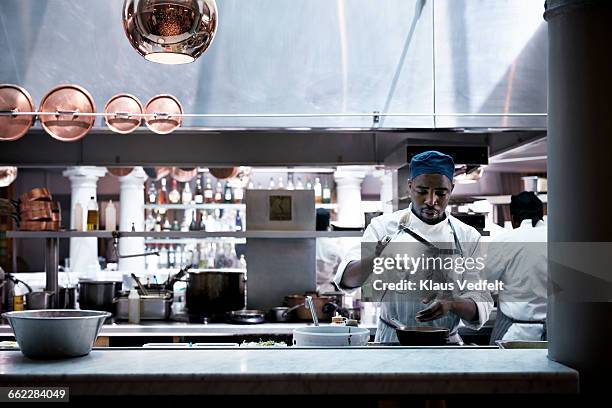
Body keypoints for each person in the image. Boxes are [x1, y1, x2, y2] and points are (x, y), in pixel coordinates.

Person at [334, 151, 493, 344]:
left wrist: (452, 303)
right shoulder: (383, 227)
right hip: (393, 341)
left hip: (445, 346)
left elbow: (481, 302)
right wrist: (376, 259)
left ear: (451, 188)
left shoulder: (467, 236)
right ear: (410, 187)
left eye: (441, 193)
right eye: (422, 191)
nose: (431, 201)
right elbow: (347, 280)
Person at [486, 191, 547, 343]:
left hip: (513, 331)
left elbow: (484, 282)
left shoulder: (504, 241)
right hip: (554, 332)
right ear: (541, 214)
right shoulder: (558, 238)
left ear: (513, 219)